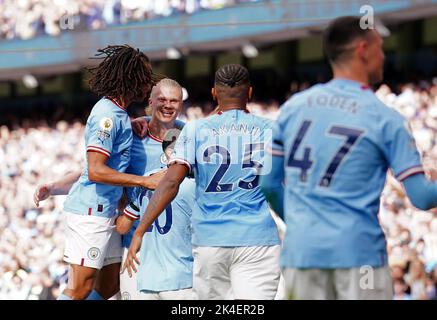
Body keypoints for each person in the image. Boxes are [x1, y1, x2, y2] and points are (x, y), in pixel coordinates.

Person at [260, 16, 437, 300]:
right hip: (358, 257)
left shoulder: (292, 108)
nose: (384, 56)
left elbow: (268, 183)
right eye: (380, 47)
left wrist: (299, 223)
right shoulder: (386, 118)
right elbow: (422, 197)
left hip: (301, 256)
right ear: (362, 50)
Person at [124, 64, 281, 300]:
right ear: (249, 92)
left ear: (214, 93)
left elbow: (170, 183)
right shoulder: (271, 129)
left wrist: (140, 232)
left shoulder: (196, 130)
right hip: (258, 238)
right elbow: (282, 182)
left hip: (211, 240)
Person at [53, 45, 164, 300]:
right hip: (91, 211)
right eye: (145, 77)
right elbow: (95, 170)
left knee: (108, 286)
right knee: (80, 288)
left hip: (107, 209)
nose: (149, 83)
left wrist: (138, 122)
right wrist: (144, 182)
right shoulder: (107, 116)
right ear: (131, 78)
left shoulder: (119, 114)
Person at [117, 78, 186, 300]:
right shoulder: (131, 136)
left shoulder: (190, 137)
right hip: (136, 249)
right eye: (162, 99)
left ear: (181, 105)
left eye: (174, 101)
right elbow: (100, 173)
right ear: (151, 101)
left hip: (177, 253)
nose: (168, 105)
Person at [117, 133, 196, 300]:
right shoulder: (194, 186)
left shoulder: (148, 179)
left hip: (146, 278)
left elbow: (122, 226)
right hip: (181, 276)